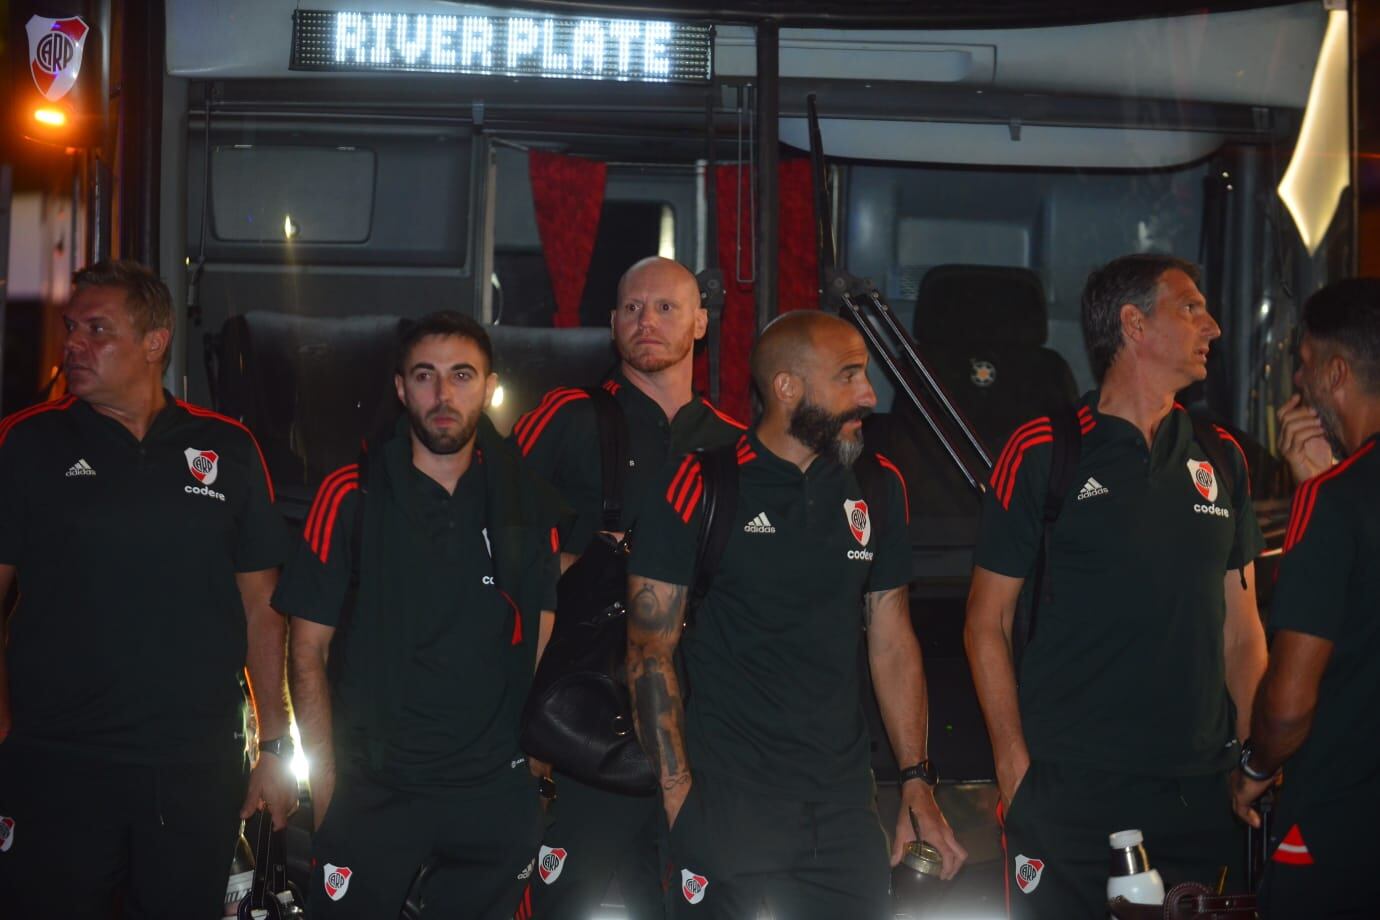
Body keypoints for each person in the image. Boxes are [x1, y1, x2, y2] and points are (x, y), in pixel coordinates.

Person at [626, 309, 967, 919]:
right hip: (728, 809)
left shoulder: (878, 485)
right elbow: (649, 652)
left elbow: (891, 640)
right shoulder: (701, 484)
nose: (868, 395)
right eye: (849, 377)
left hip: (844, 817)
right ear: (786, 388)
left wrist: (917, 780)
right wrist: (681, 803)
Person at [964, 253, 1267, 918]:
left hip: (1198, 793)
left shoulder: (1223, 455)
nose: (1212, 326)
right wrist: (1015, 770)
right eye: (1191, 309)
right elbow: (986, 622)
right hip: (1070, 789)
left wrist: (1253, 763)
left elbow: (1243, 632)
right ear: (1133, 325)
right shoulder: (1045, 449)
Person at [0, 260, 296, 918]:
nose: (73, 344)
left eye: (97, 330)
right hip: (58, 762)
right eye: (70, 328)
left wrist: (275, 746)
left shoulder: (228, 449)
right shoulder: (27, 444)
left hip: (193, 768)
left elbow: (262, 609)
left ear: (156, 342)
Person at [275, 311, 562, 919]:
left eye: (462, 376)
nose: (443, 394)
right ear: (401, 388)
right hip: (375, 790)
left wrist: (532, 776)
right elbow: (306, 652)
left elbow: (542, 640)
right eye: (425, 376)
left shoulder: (526, 500)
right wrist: (326, 792)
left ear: (488, 387)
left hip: (492, 793)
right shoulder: (351, 494)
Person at [509, 256, 744, 920]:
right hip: (587, 730)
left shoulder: (736, 447)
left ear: (700, 323)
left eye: (667, 307)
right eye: (632, 308)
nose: (647, 320)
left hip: (703, 733)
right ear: (612, 325)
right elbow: (497, 553)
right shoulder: (566, 416)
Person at [1230, 279, 1380, 919]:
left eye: (1305, 364)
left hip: (1339, 828)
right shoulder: (1336, 494)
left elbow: (1289, 704)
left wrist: (1255, 768)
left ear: (1337, 371)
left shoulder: (1335, 501)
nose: (1297, 381)